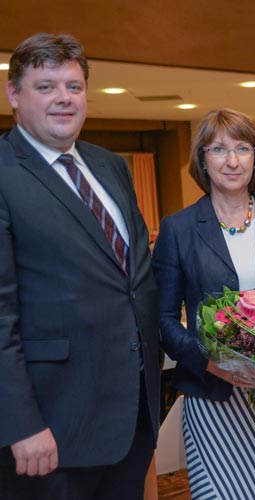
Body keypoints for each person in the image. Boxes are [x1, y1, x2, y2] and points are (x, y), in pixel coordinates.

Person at [0, 33, 160, 499]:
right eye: (46, 86)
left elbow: (135, 283)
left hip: (131, 418)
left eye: (73, 86)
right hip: (49, 430)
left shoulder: (109, 166)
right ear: (14, 94)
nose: (63, 99)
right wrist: (20, 423)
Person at [152, 108, 255, 500]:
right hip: (215, 399)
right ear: (202, 160)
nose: (232, 160)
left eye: (243, 148)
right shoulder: (178, 228)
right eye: (218, 149)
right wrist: (209, 362)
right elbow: (162, 319)